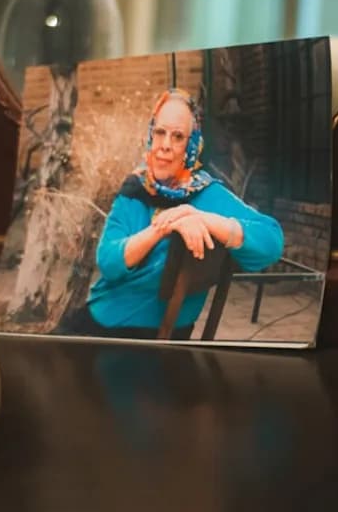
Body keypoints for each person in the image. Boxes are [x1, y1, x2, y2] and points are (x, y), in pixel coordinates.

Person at [62, 88, 284, 340]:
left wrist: (201, 218)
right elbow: (109, 262)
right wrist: (161, 228)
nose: (165, 145)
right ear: (151, 135)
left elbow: (271, 240)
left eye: (178, 136)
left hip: (121, 334)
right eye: (160, 132)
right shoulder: (135, 189)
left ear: (191, 145)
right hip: (104, 324)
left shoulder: (206, 194)